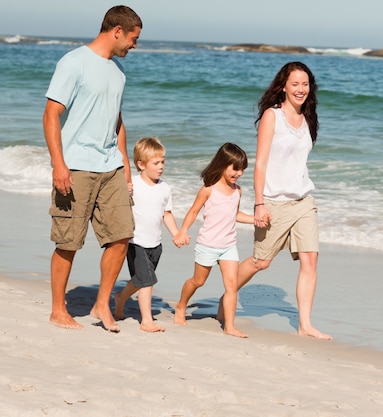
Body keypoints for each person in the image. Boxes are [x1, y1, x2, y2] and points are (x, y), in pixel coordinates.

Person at [42, 5, 142, 331]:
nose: (134, 46)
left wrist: (125, 164)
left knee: (122, 234)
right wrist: (59, 164)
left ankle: (102, 304)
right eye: (133, 39)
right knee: (68, 242)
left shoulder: (118, 72)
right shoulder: (74, 63)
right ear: (117, 31)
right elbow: (51, 114)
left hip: (110, 165)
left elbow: (117, 121)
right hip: (75, 166)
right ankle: (58, 310)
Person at [219, 62, 332, 340]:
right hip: (274, 202)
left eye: (305, 84)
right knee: (261, 262)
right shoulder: (273, 116)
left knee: (310, 261)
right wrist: (259, 203)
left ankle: (305, 324)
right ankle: (227, 297)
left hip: (303, 200)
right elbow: (261, 163)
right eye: (295, 84)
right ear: (283, 85)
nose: (301, 89)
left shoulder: (308, 117)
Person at [173, 143, 253, 338]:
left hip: (228, 246)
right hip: (207, 244)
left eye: (242, 169)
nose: (239, 173)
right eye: (235, 168)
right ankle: (181, 306)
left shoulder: (237, 191)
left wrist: (255, 220)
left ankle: (230, 326)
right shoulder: (208, 189)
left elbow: (234, 214)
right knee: (198, 281)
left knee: (232, 285)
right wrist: (182, 231)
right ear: (223, 165)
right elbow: (193, 212)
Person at [113, 137, 180, 332]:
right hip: (135, 241)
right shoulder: (131, 184)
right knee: (147, 281)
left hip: (155, 244)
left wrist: (176, 233)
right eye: (156, 163)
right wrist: (124, 190)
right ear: (141, 165)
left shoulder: (165, 188)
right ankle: (147, 321)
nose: (161, 167)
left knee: (140, 280)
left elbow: (166, 214)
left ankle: (120, 297)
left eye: (163, 162)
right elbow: (115, 202)